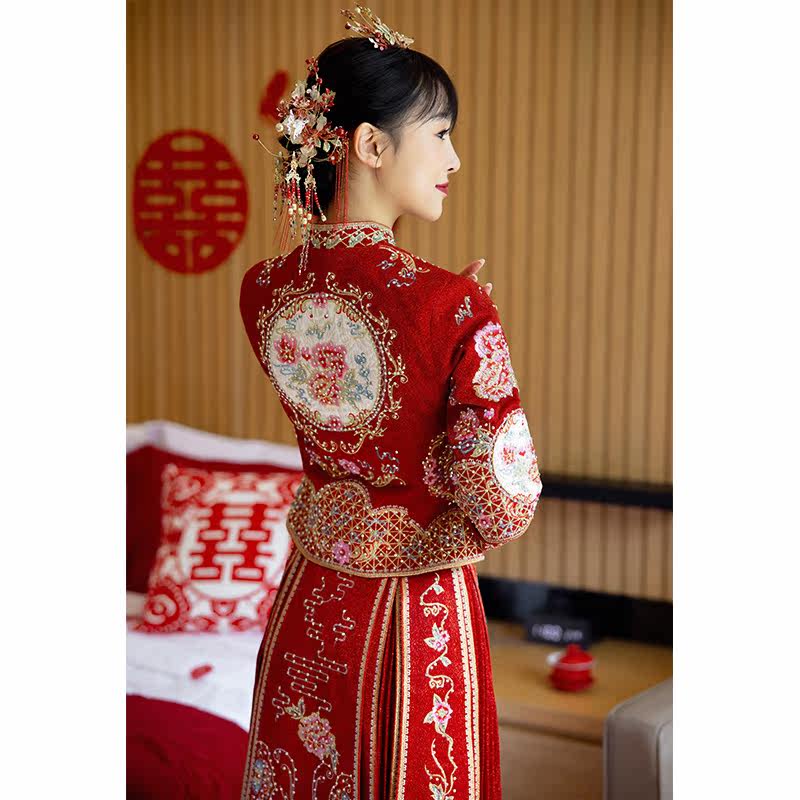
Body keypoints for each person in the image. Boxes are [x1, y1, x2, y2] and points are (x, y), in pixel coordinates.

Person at [238, 6, 543, 798]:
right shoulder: (450, 306)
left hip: (309, 598)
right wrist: (460, 330)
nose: (455, 158)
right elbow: (503, 504)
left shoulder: (262, 288)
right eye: (440, 134)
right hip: (416, 609)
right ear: (372, 146)